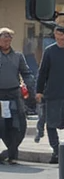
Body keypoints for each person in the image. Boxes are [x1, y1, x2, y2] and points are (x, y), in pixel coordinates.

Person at [35, 21, 64, 164]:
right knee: (51, 124)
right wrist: (39, 90)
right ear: (55, 34)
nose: (61, 36)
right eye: (58, 33)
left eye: (63, 33)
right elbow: (42, 72)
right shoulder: (49, 51)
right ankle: (56, 150)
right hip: (53, 93)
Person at [0, 27, 34, 165]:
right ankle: (9, 153)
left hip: (14, 94)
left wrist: (31, 86)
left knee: (19, 125)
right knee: (2, 126)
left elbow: (26, 73)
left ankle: (11, 153)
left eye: (9, 38)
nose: (7, 41)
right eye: (4, 38)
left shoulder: (18, 56)